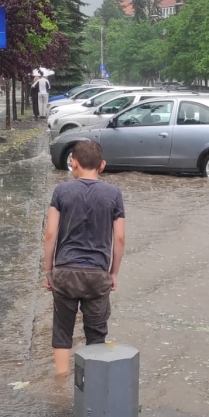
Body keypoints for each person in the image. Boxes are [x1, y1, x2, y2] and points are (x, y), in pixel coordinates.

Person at [43, 141, 126, 375]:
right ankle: (94, 388)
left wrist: (48, 271)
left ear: (74, 162)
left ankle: (60, 384)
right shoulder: (114, 194)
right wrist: (113, 273)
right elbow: (119, 239)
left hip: (65, 272)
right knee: (97, 334)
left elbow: (50, 234)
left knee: (62, 332)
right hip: (98, 275)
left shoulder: (61, 191)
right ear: (102, 165)